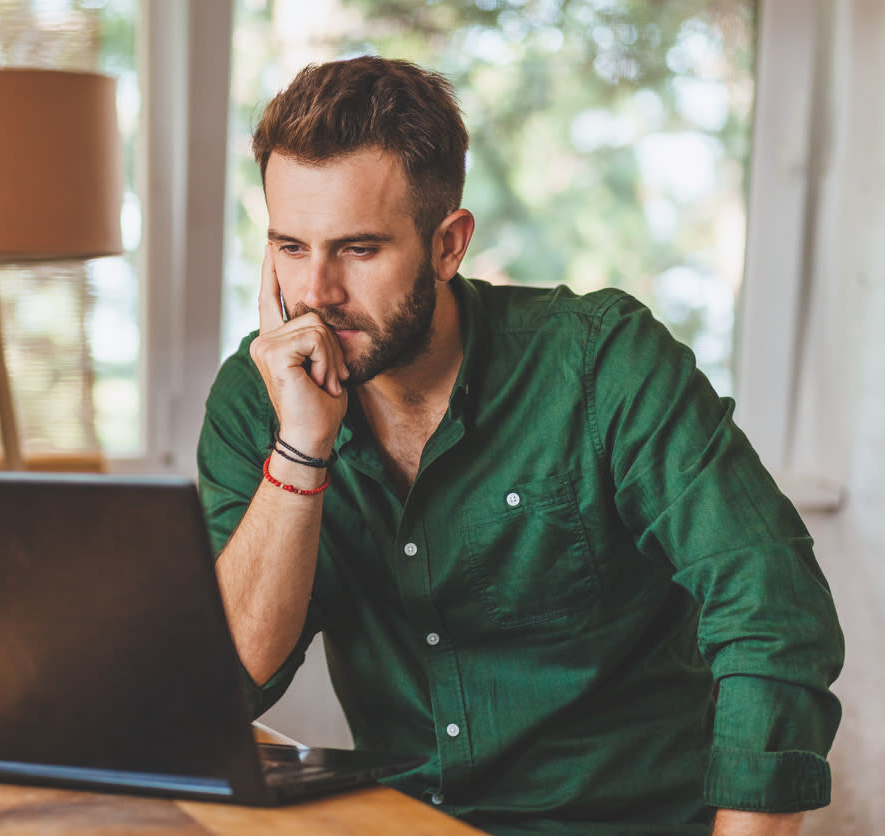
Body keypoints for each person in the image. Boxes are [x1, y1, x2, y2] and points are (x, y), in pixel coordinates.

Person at [196, 56, 844, 835]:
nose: (314, 294)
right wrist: (301, 450)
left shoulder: (603, 364)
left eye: (358, 250)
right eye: (290, 248)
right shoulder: (260, 394)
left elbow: (774, 614)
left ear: (448, 244)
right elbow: (228, 681)